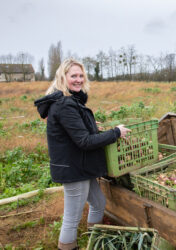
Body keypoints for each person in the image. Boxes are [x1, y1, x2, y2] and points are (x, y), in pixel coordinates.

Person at [34, 59, 131, 250]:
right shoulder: (65, 105)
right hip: (74, 169)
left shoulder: (70, 102)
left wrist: (95, 129)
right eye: (73, 76)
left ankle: (95, 241)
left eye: (81, 76)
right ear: (63, 78)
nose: (78, 80)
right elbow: (84, 142)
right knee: (72, 217)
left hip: (82, 166)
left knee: (98, 203)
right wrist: (115, 133)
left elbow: (77, 133)